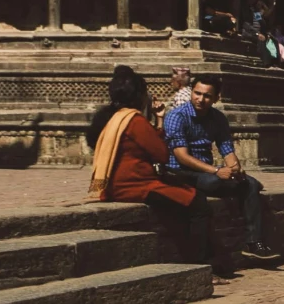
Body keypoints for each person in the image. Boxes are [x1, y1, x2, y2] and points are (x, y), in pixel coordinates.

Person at [160, 73, 279, 265]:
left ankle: (254, 243)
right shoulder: (176, 116)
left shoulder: (218, 118)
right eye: (197, 93)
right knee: (216, 181)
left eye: (207, 96)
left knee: (249, 185)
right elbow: (182, 156)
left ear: (216, 98)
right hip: (180, 171)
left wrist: (234, 167)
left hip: (205, 170)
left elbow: (226, 148)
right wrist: (216, 170)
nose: (201, 99)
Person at [84, 65, 198, 216]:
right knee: (196, 201)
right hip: (135, 185)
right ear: (139, 97)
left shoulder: (110, 117)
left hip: (112, 184)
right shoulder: (134, 121)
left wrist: (159, 120)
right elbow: (161, 154)